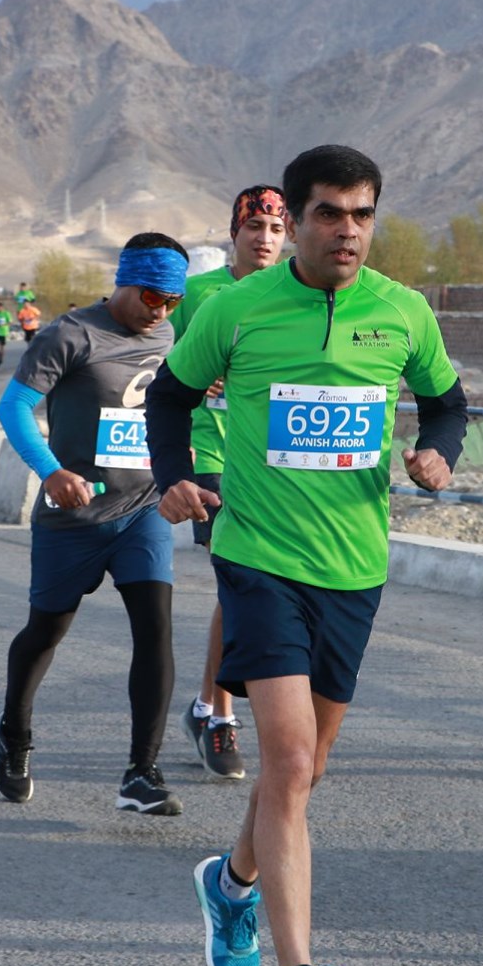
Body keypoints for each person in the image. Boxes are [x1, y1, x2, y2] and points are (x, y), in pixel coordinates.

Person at [148, 145, 468, 966]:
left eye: (363, 213)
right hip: (257, 558)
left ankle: (232, 883)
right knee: (286, 763)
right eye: (329, 213)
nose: (349, 230)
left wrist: (438, 451)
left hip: (355, 567)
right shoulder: (238, 309)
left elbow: (448, 403)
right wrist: (174, 478)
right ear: (292, 220)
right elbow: (169, 398)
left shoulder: (403, 312)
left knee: (307, 773)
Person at [0, 234, 191, 818]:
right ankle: (15, 732)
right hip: (72, 517)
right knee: (45, 633)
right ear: (124, 280)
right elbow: (13, 407)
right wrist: (51, 473)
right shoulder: (70, 334)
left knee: (155, 629)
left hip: (142, 510)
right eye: (152, 296)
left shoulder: (171, 335)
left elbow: (170, 400)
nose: (160, 310)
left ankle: (141, 771)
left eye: (173, 301)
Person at [172, 184, 289, 781]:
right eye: (254, 229)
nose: (265, 240)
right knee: (234, 579)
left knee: (247, 583)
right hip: (210, 450)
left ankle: (204, 705)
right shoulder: (198, 294)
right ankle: (220, 717)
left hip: (271, 458)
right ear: (234, 234)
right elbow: (157, 360)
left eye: (275, 229)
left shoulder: (293, 292)